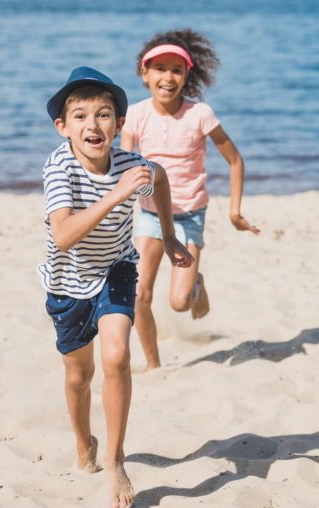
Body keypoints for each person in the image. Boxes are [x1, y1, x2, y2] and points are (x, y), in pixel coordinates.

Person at [38, 66, 193, 507]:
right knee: (78, 375)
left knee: (118, 356)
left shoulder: (129, 163)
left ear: (119, 124)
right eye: (81, 116)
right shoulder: (58, 166)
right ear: (63, 127)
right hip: (67, 282)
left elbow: (158, 178)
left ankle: (116, 458)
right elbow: (65, 235)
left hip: (116, 270)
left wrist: (167, 235)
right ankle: (83, 442)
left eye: (104, 114)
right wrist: (117, 195)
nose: (93, 124)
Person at [121, 29, 260, 371]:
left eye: (176, 70)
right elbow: (122, 167)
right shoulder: (136, 115)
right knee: (139, 296)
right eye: (160, 68)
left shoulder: (200, 114)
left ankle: (196, 281)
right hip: (152, 216)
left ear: (186, 76)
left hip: (190, 215)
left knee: (180, 302)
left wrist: (235, 210)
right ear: (145, 73)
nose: (168, 77)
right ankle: (154, 364)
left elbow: (235, 160)